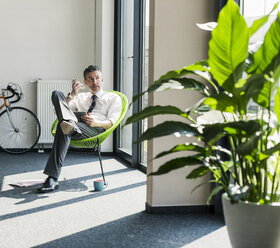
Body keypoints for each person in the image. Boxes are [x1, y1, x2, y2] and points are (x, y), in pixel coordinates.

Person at [37, 65, 122, 193]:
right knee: (57, 94)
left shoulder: (112, 98)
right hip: (77, 124)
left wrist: (96, 122)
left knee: (63, 126)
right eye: (90, 79)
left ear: (102, 79)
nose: (94, 82)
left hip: (95, 129)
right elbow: (58, 110)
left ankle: (52, 178)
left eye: (97, 78)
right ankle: (71, 127)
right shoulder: (81, 97)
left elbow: (112, 122)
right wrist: (73, 94)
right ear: (85, 82)